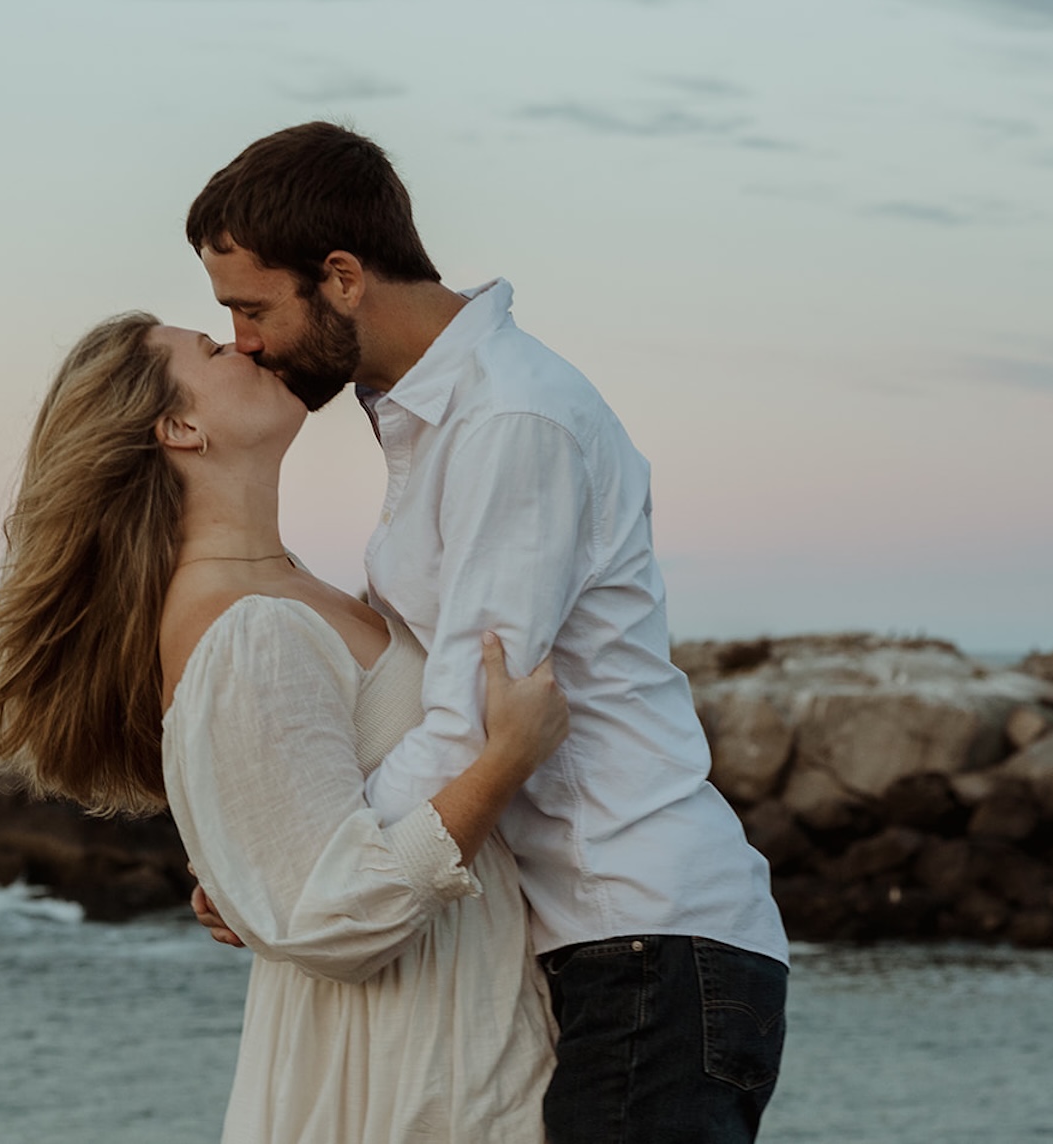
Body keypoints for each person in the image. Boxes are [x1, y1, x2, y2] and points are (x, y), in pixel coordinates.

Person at [185, 122, 792, 1143]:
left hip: (643, 930)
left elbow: (476, 715)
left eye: (252, 307)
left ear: (340, 275)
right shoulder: (434, 412)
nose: (245, 341)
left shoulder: (510, 418)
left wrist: (305, 865)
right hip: (599, 940)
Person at [0, 312, 567, 1143]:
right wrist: (504, 763)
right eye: (212, 350)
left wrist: (249, 884)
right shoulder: (246, 628)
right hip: (406, 1079)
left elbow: (301, 860)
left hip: (448, 1040)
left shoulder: (290, 590)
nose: (244, 343)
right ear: (181, 428)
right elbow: (333, 917)